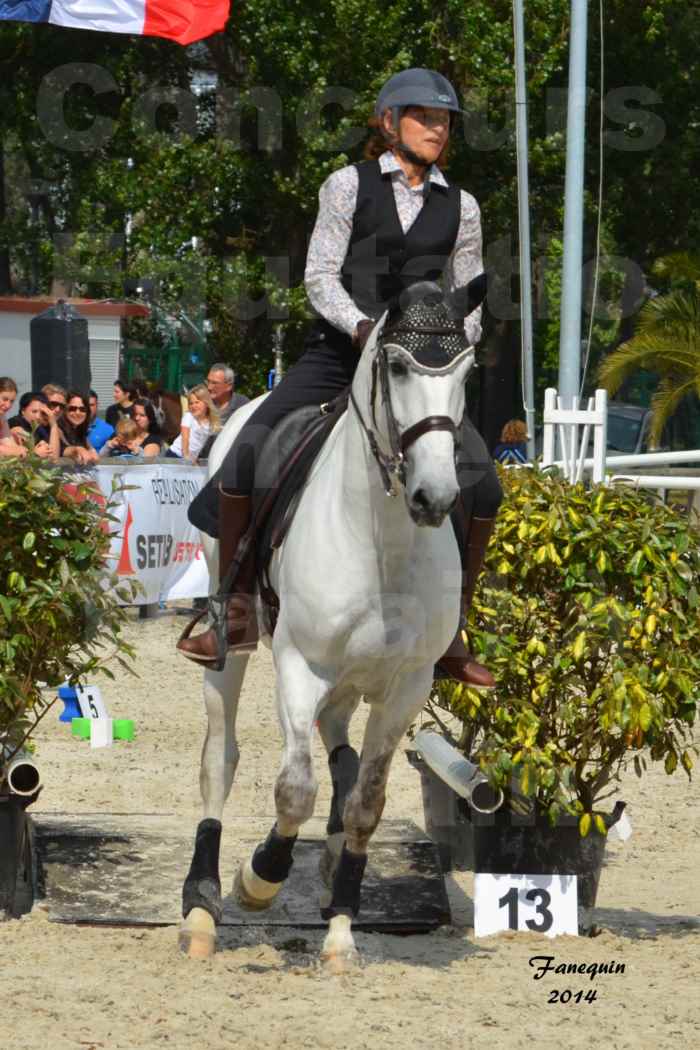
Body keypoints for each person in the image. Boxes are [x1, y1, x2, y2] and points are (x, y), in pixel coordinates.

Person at [178, 68, 503, 687]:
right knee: (247, 452)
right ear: (388, 122)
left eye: (445, 121)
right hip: (338, 354)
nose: (439, 128)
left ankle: (453, 630)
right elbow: (320, 276)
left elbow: (470, 297)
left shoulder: (463, 207)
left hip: (422, 371)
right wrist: (364, 329)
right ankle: (234, 605)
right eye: (426, 117)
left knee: (483, 482)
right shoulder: (347, 186)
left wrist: (452, 348)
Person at [167, 384, 220, 462]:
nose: (193, 406)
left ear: (206, 403)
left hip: (190, 458)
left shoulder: (210, 422)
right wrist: (186, 455)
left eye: (197, 402)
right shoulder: (189, 416)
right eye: (191, 403)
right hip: (176, 454)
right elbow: (185, 437)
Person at [55, 391, 99, 464]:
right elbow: (62, 449)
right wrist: (77, 449)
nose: (77, 412)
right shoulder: (56, 428)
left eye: (82, 409)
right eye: (72, 408)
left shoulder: (81, 431)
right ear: (65, 410)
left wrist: (92, 451)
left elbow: (93, 453)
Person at [8, 391, 54, 457]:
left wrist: (53, 424)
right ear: (23, 411)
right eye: (34, 411)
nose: (38, 416)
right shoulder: (15, 422)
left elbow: (53, 456)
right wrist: (35, 454)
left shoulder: (41, 429)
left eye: (42, 413)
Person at [0, 377, 27, 458]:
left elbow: (9, 443)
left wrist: (25, 451)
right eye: (4, 399)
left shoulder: (1, 416)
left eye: (11, 401)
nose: (8, 405)